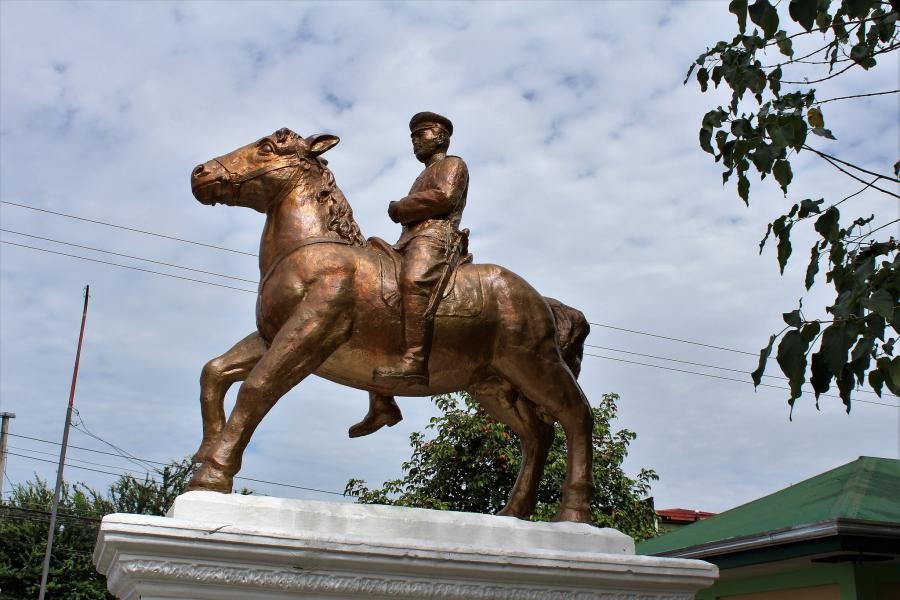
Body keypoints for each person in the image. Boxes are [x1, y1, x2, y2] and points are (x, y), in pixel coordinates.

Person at [348, 112, 469, 438]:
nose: (415, 139)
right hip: (408, 241)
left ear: (441, 137)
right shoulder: (425, 173)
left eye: (421, 133)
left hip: (434, 239)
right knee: (371, 288)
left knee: (414, 282)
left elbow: (443, 199)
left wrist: (401, 207)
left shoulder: (452, 164)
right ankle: (381, 401)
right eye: (412, 135)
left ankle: (414, 361)